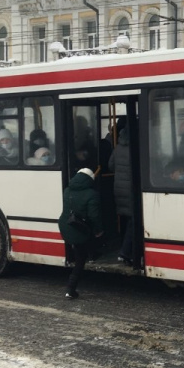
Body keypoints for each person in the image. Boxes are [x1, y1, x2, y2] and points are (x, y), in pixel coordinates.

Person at [58, 168, 104, 299]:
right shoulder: (92, 194)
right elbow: (94, 216)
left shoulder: (67, 191)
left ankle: (90, 254)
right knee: (80, 260)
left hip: (66, 226)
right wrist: (99, 231)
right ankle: (70, 289)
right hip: (78, 230)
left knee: (80, 249)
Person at [108, 127, 135, 267]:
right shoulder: (135, 148)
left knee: (126, 220)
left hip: (119, 189)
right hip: (131, 190)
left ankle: (125, 249)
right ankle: (125, 252)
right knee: (133, 221)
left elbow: (110, 165)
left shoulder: (117, 148)